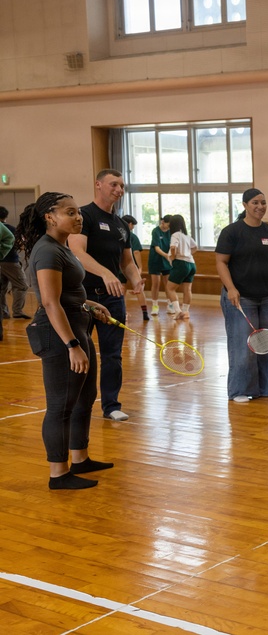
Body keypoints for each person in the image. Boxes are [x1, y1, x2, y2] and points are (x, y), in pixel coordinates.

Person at [14, 193, 115, 489]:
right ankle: (58, 472)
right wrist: (72, 346)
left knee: (84, 398)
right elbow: (49, 302)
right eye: (70, 212)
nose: (78, 217)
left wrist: (89, 305)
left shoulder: (63, 247)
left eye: (78, 212)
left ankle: (80, 458)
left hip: (78, 324)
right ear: (50, 217)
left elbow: (68, 295)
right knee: (61, 405)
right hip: (59, 335)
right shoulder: (47, 250)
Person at [68, 169, 143, 422]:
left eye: (122, 186)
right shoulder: (83, 216)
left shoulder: (122, 225)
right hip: (85, 296)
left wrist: (135, 279)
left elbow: (127, 262)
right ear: (98, 185)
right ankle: (76, 404)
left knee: (113, 355)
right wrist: (105, 274)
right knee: (80, 351)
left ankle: (111, 405)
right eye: (114, 184)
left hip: (114, 299)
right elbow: (77, 251)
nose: (119, 190)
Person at [215, 188, 268, 403]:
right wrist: (230, 288)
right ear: (245, 205)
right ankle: (240, 390)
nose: (260, 207)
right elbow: (221, 262)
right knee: (243, 348)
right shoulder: (232, 232)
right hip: (241, 299)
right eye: (255, 203)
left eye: (263, 202)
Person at [1, 206, 31, 322]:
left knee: (1, 288)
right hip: (10, 261)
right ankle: (17, 311)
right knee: (21, 285)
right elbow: (22, 244)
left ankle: (3, 312)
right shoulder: (11, 229)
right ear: (6, 216)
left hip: (1, 262)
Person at [165, 215, 197, 320]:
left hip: (181, 263)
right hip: (191, 264)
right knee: (187, 289)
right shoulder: (186, 236)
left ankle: (177, 310)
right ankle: (186, 312)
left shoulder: (175, 235)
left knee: (170, 288)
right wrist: (188, 254)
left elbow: (173, 247)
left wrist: (173, 258)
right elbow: (195, 247)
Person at [122, 215, 150, 321]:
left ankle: (123, 313)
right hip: (130, 266)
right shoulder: (132, 236)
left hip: (118, 266)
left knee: (121, 290)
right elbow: (136, 252)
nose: (133, 227)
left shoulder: (116, 234)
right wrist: (140, 267)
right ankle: (145, 313)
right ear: (129, 224)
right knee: (139, 289)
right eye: (133, 225)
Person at [147, 215, 172, 316]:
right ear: (162, 222)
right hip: (156, 259)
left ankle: (170, 304)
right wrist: (166, 255)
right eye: (167, 224)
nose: (168, 226)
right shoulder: (156, 231)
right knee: (156, 283)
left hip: (167, 260)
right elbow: (156, 248)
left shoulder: (171, 232)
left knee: (168, 284)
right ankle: (155, 305)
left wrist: (170, 255)